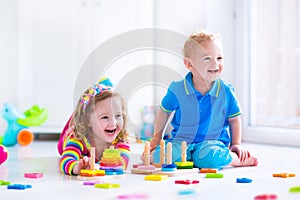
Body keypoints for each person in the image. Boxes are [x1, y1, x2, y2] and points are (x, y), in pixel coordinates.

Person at [143, 29, 258, 169]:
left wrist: (236, 144)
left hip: (212, 143)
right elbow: (164, 111)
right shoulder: (177, 89)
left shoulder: (226, 91)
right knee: (159, 158)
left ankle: (236, 160)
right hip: (181, 142)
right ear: (189, 64)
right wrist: (156, 138)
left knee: (209, 158)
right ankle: (189, 158)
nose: (215, 63)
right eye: (207, 59)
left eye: (219, 58)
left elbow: (234, 119)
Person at [58, 78, 130, 175]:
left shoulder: (121, 138)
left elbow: (121, 163)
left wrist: (98, 167)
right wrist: (77, 167)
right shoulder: (79, 139)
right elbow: (65, 160)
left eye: (118, 115)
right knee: (73, 127)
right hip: (72, 134)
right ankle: (78, 116)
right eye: (105, 117)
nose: (113, 123)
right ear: (88, 121)